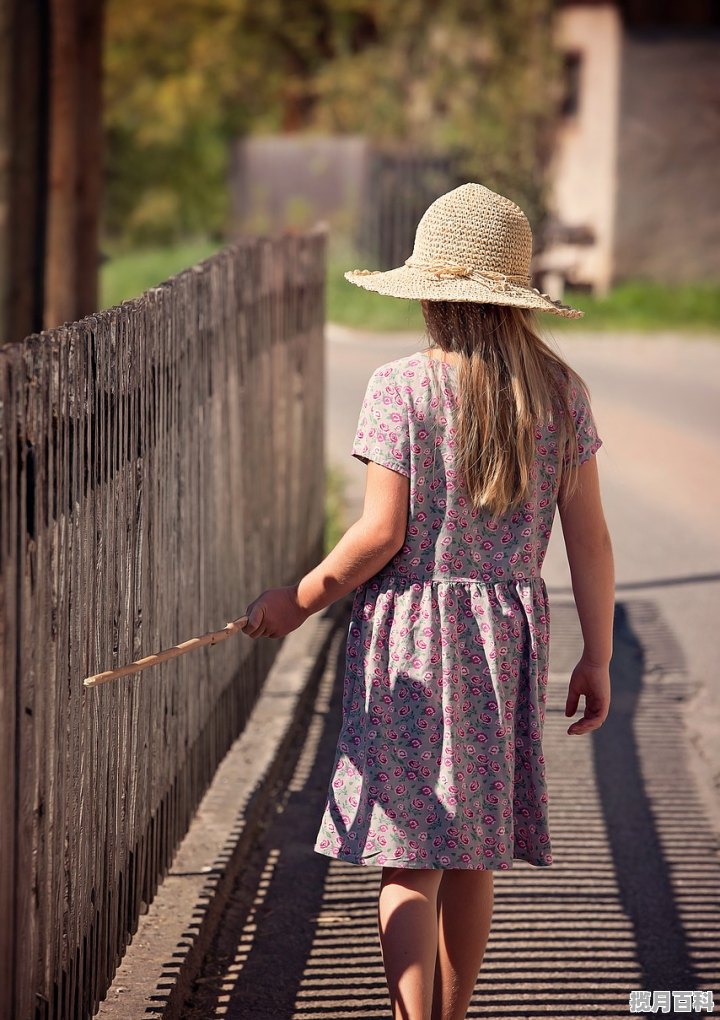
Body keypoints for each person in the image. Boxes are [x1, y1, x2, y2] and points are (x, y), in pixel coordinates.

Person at [241, 183, 614, 1020]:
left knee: (410, 856)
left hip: (411, 639)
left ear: (430, 294)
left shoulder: (400, 387)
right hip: (503, 643)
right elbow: (589, 539)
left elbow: (378, 536)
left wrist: (296, 601)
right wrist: (598, 653)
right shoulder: (561, 394)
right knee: (475, 852)